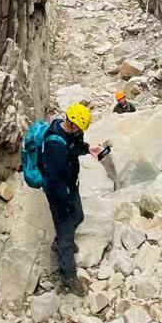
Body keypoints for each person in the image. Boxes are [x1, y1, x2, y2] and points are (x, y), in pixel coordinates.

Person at [39, 102, 104, 292]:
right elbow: (53, 181)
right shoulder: (55, 146)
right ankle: (69, 276)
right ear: (73, 124)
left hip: (69, 187)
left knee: (79, 216)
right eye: (81, 129)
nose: (81, 132)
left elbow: (73, 147)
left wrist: (87, 148)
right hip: (59, 194)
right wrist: (65, 200)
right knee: (66, 234)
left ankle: (60, 241)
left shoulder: (66, 131)